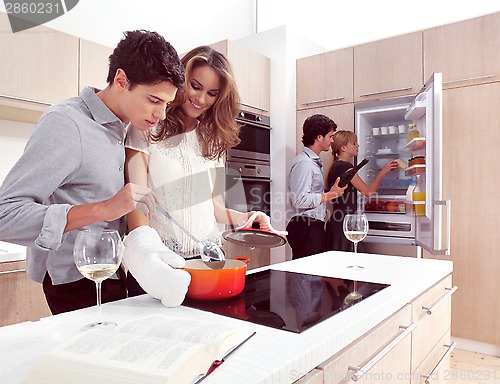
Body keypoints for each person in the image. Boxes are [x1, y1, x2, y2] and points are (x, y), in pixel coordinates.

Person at [0, 30, 188, 314]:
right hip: (75, 279)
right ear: (122, 80)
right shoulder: (66, 124)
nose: (161, 114)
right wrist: (104, 208)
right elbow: (5, 214)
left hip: (112, 268)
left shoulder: (126, 128)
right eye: (154, 100)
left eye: (167, 103)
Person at [124, 45, 273, 296]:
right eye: (195, 86)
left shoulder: (213, 139)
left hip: (209, 264)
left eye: (212, 93)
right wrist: (148, 260)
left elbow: (212, 207)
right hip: (160, 265)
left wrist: (246, 218)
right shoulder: (147, 128)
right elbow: (136, 204)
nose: (201, 99)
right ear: (179, 79)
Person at [325, 130, 398, 251]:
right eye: (354, 143)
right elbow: (368, 191)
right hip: (344, 224)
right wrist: (384, 171)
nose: (357, 145)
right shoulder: (344, 167)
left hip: (338, 222)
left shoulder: (336, 166)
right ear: (343, 147)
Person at [286, 114, 346, 259]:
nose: (332, 140)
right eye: (330, 136)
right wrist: (330, 195)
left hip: (312, 226)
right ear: (319, 137)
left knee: (312, 277)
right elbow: (299, 200)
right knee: (307, 277)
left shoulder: (312, 162)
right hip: (306, 227)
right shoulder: (305, 163)